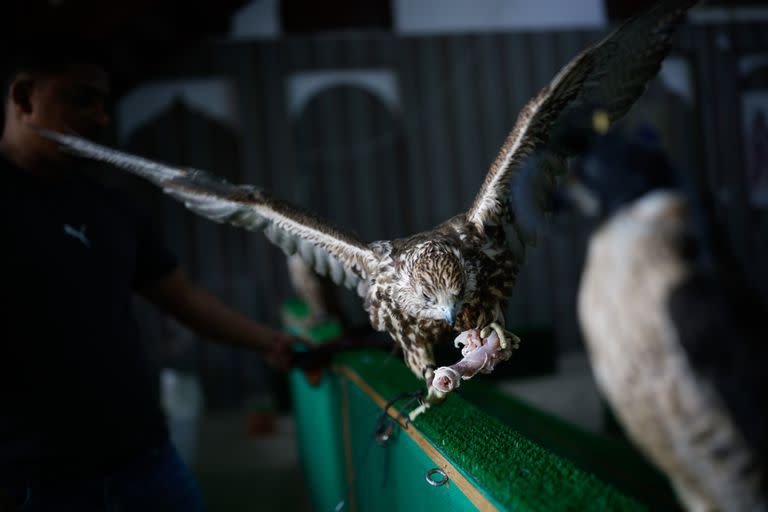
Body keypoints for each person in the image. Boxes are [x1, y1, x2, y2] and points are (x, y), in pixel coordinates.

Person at [0, 43, 296, 511]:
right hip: (34, 477)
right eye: (80, 99)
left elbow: (183, 298)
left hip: (144, 459)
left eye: (103, 103)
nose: (99, 118)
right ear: (23, 98)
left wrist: (271, 342)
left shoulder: (112, 208)